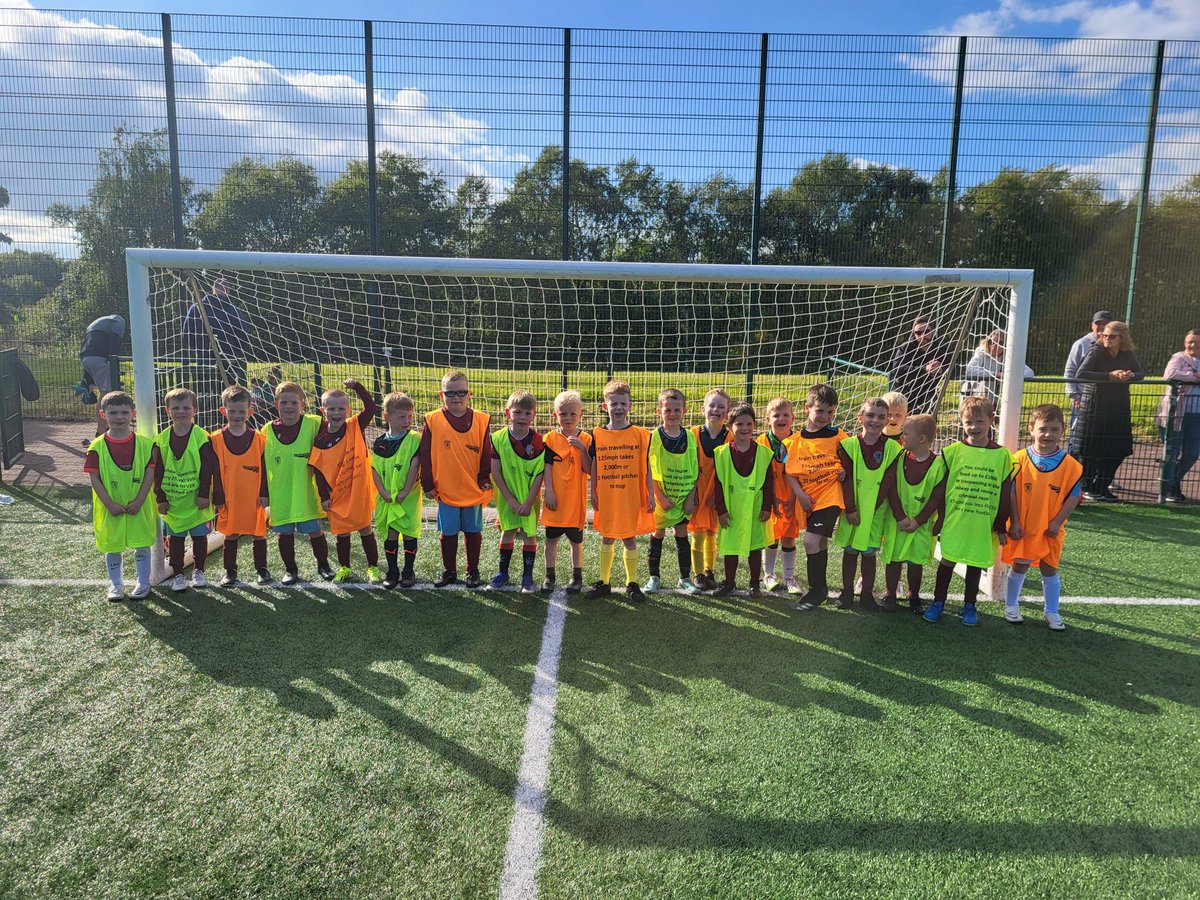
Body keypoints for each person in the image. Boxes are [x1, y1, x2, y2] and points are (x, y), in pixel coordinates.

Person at [924, 396, 1013, 627]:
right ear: (962, 423)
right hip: (956, 519)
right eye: (969, 422)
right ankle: (938, 602)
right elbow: (940, 489)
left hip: (982, 521)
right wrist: (939, 517)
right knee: (947, 560)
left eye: (980, 422)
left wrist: (1000, 524)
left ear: (991, 421)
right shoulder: (952, 452)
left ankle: (970, 605)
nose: (974, 427)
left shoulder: (1002, 455)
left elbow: (1005, 491)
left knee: (975, 563)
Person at [1001, 404, 1083, 631]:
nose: (1048, 434)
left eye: (1054, 429)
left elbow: (1074, 496)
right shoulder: (1019, 459)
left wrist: (1057, 522)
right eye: (1043, 428)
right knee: (1020, 565)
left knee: (1050, 568)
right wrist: (1015, 522)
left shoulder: (1071, 466)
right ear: (1031, 429)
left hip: (1051, 528)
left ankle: (1052, 611)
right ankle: (1011, 605)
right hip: (1024, 526)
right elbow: (1012, 492)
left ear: (1063, 431)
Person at [420, 371, 492, 588]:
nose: (455, 397)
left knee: (472, 531)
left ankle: (473, 571)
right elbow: (425, 454)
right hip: (446, 489)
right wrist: (428, 483)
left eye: (461, 392)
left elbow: (486, 452)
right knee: (448, 532)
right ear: (442, 394)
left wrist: (483, 478)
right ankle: (449, 571)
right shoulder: (432, 420)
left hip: (472, 489)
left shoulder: (481, 419)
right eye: (450, 393)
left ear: (469, 393)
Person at [585, 380, 655, 602]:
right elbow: (594, 465)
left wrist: (650, 493)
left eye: (623, 404)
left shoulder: (640, 434)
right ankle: (604, 582)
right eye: (613, 403)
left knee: (629, 537)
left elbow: (647, 467)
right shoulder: (597, 434)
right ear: (605, 406)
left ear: (630, 406)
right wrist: (593, 491)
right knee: (607, 536)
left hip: (630, 495)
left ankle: (631, 583)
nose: (618, 408)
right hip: (607, 494)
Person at [83, 390, 156, 601]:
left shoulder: (145, 444)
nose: (119, 417)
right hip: (110, 507)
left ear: (133, 414)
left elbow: (150, 472)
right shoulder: (96, 447)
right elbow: (94, 478)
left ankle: (143, 583)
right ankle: (116, 585)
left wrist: (140, 500)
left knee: (142, 542)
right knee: (112, 545)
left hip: (139, 505)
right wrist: (109, 503)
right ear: (103, 414)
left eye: (124, 412)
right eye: (113, 413)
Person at [260, 381, 333, 585]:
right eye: (284, 402)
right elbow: (261, 465)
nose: (289, 406)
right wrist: (263, 492)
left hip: (306, 492)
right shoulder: (266, 430)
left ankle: (324, 566)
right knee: (285, 533)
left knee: (315, 530)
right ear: (276, 404)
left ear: (303, 404)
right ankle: (290, 570)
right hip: (280, 494)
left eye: (294, 402)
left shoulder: (315, 424)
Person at [785, 384, 849, 611]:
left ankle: (815, 591)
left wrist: (843, 472)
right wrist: (800, 494)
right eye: (820, 411)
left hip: (831, 497)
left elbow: (849, 464)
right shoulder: (795, 441)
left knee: (810, 541)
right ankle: (821, 590)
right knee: (819, 542)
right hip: (808, 499)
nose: (825, 417)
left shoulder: (839, 436)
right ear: (807, 408)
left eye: (830, 412)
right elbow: (790, 471)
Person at [835, 397, 903, 611]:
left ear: (886, 421)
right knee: (850, 551)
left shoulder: (893, 448)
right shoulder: (848, 446)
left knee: (869, 553)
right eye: (870, 415)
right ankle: (846, 593)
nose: (875, 420)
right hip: (852, 510)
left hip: (876, 512)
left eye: (881, 417)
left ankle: (866, 595)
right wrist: (851, 508)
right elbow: (845, 481)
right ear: (860, 417)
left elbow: (889, 482)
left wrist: (873, 507)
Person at [309, 380, 380, 584]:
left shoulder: (355, 426)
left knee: (365, 528)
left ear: (348, 410)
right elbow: (318, 471)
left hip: (358, 491)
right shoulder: (320, 440)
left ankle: (373, 568)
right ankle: (344, 568)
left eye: (341, 408)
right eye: (331, 408)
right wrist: (324, 497)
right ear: (323, 410)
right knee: (342, 534)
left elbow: (371, 407)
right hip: (336, 495)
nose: (336, 412)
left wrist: (358, 387)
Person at [154, 387, 220, 593]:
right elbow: (157, 471)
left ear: (195, 410)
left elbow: (208, 467)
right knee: (175, 539)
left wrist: (203, 494)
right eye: (176, 408)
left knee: (200, 537)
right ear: (167, 411)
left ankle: (199, 570)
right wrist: (160, 497)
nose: (181, 411)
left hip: (196, 500)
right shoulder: (161, 440)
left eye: (186, 407)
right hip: (173, 501)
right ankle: (178, 574)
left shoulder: (202, 437)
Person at [1071, 321, 1145, 501]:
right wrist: (1109, 376)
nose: (1107, 339)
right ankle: (1088, 487)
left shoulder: (1127, 353)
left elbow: (1140, 373)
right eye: (1104, 335)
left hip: (1118, 406)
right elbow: (1081, 373)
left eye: (1112, 336)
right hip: (1095, 406)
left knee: (1118, 448)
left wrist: (1131, 376)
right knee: (1089, 449)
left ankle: (1102, 486)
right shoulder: (1096, 351)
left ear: (1122, 338)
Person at [880, 413, 944, 614]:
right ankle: (890, 593)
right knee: (893, 558)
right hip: (897, 521)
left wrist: (918, 520)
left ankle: (913, 595)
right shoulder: (898, 458)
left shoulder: (938, 465)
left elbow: (936, 497)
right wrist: (899, 516)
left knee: (916, 561)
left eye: (906, 433)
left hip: (921, 524)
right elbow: (891, 487)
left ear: (922, 439)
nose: (901, 437)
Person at [210, 384, 272, 587]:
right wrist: (217, 496)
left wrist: (265, 493)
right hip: (229, 496)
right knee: (231, 533)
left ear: (250, 412)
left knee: (259, 533)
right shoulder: (215, 439)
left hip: (254, 495)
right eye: (232, 411)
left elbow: (265, 468)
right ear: (223, 410)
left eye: (242, 411)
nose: (237, 415)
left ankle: (262, 570)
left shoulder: (260, 439)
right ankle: (230, 571)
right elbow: (214, 471)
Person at [713, 402, 774, 598]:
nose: (745, 428)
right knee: (730, 548)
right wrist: (720, 510)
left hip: (755, 508)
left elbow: (769, 482)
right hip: (731, 508)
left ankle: (754, 584)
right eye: (739, 424)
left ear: (754, 425)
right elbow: (718, 484)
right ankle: (730, 582)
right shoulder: (721, 453)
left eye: (749, 424)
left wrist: (767, 506)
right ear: (730, 426)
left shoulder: (764, 453)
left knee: (755, 547)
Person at [489, 390, 546, 594]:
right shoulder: (497, 439)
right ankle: (502, 574)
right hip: (507, 499)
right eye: (518, 412)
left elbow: (540, 474)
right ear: (507, 412)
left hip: (530, 499)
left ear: (534, 416)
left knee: (529, 535)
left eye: (527, 413)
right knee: (508, 532)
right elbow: (495, 471)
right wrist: (510, 499)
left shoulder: (539, 442)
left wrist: (529, 502)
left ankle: (527, 577)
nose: (522, 417)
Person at [645, 388, 699, 595]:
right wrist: (659, 496)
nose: (673, 414)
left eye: (677, 409)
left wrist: (690, 498)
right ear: (660, 411)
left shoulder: (690, 437)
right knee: (657, 534)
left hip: (683, 498)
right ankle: (653, 578)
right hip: (662, 499)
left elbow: (695, 471)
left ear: (684, 411)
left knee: (682, 535)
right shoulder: (654, 437)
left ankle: (685, 578)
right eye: (668, 410)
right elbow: (649, 469)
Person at [541, 390, 591, 594]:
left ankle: (576, 576)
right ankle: (549, 575)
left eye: (573, 414)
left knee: (575, 541)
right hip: (555, 499)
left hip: (575, 502)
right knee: (551, 539)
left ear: (580, 415)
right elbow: (547, 468)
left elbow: (589, 468)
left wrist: (582, 449)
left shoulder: (586, 439)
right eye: (563, 414)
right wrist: (549, 492)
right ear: (555, 416)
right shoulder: (549, 439)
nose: (568, 418)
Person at [181, 277, 249, 425]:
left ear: (213, 289)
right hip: (229, 361)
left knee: (204, 394)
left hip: (204, 360)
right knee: (230, 395)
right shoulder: (233, 311)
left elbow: (187, 333)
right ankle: (226, 423)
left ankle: (204, 423)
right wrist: (233, 351)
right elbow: (243, 336)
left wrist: (199, 349)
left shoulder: (196, 307)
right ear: (228, 290)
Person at [372, 391, 422, 589]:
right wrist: (383, 492)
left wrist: (405, 490)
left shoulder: (414, 439)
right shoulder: (379, 442)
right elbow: (374, 469)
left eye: (410, 416)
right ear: (387, 417)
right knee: (391, 533)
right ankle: (392, 571)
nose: (407, 420)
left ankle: (408, 571)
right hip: (386, 498)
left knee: (409, 532)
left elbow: (414, 465)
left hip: (407, 497)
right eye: (402, 416)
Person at [758, 397, 803, 595]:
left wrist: (793, 499)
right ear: (768, 419)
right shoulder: (761, 441)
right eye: (776, 415)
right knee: (770, 537)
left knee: (789, 538)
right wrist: (771, 500)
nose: (781, 419)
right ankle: (768, 575)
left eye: (786, 415)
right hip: (770, 499)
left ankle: (789, 577)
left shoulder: (799, 441)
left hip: (792, 499)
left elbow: (802, 473)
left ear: (793, 419)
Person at [688, 388, 731, 590]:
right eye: (711, 405)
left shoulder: (730, 437)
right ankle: (697, 574)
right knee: (697, 532)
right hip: (697, 491)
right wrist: (692, 490)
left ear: (728, 411)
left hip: (717, 494)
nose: (715, 409)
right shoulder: (692, 435)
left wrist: (718, 494)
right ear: (702, 408)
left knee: (712, 532)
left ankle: (709, 571)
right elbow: (687, 466)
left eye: (721, 406)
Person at [1156, 329, 1200, 503]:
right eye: (1190, 341)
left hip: (1196, 415)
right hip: (1176, 414)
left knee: (1192, 453)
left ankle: (1172, 483)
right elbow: (1170, 374)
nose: (1193, 345)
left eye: (1197, 342)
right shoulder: (1179, 358)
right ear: (1185, 342)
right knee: (1172, 452)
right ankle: (1169, 488)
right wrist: (1193, 377)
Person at [887, 316, 955, 415]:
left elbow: (956, 369)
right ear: (913, 334)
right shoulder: (905, 348)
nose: (923, 336)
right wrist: (925, 369)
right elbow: (897, 369)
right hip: (904, 391)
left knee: (926, 424)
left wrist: (941, 369)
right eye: (918, 333)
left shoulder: (942, 348)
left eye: (927, 331)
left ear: (933, 331)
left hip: (929, 393)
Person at [1063, 310, 1112, 431]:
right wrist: (1075, 396)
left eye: (1105, 324)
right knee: (1078, 432)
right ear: (1092, 325)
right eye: (1098, 323)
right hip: (1083, 398)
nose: (1101, 327)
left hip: (1106, 399)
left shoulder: (1115, 345)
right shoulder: (1081, 344)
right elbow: (1070, 370)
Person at [79, 314, 125, 441]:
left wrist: (88, 378)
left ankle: (105, 429)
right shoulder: (118, 320)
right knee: (106, 393)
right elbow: (115, 341)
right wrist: (113, 360)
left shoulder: (100, 322)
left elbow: (88, 344)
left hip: (85, 357)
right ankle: (102, 432)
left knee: (105, 392)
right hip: (100, 358)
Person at [962, 329, 1035, 407]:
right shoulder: (981, 352)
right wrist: (996, 374)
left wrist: (1008, 375)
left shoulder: (1008, 357)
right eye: (991, 342)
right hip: (971, 394)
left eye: (1000, 343)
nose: (994, 346)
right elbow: (970, 370)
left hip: (992, 398)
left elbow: (1029, 373)